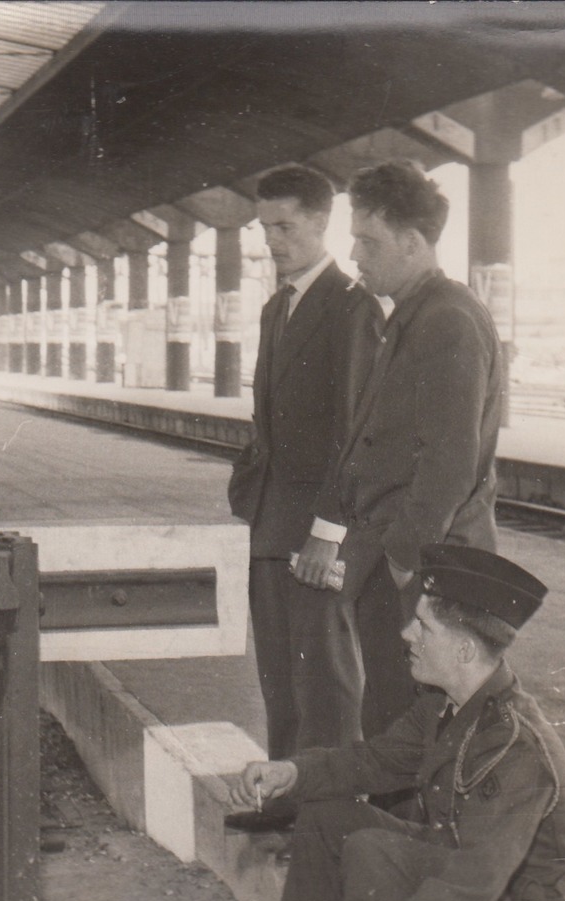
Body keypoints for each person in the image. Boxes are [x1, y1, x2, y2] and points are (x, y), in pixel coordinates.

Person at [229, 544, 565, 901]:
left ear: (463, 651)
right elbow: (371, 762)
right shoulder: (445, 706)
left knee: (377, 851)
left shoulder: (516, 748)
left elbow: (472, 880)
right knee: (330, 815)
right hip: (464, 880)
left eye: (422, 627)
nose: (405, 636)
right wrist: (292, 772)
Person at [299, 161, 505, 738]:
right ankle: (394, 824)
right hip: (409, 564)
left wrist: (402, 556)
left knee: (416, 721)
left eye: (369, 241)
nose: (357, 255)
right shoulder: (413, 316)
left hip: (427, 567)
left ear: (413, 244)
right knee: (395, 713)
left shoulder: (448, 321)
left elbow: (450, 458)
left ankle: (407, 828)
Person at [225, 164, 380, 834]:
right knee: (281, 676)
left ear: (323, 222)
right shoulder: (275, 308)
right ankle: (288, 796)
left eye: (286, 226)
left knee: (326, 679)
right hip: (269, 523)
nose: (273, 240)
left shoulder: (352, 308)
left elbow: (355, 430)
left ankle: (332, 814)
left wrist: (330, 528)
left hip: (317, 527)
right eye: (265, 227)